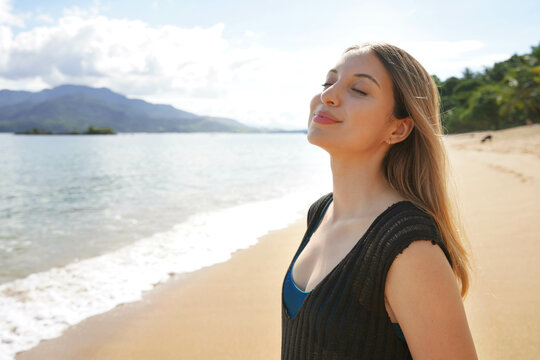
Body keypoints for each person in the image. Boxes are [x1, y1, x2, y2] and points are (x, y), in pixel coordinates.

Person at [281, 42, 478, 359]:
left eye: (358, 89)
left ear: (398, 129)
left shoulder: (410, 248)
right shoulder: (321, 212)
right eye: (328, 82)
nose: (327, 95)